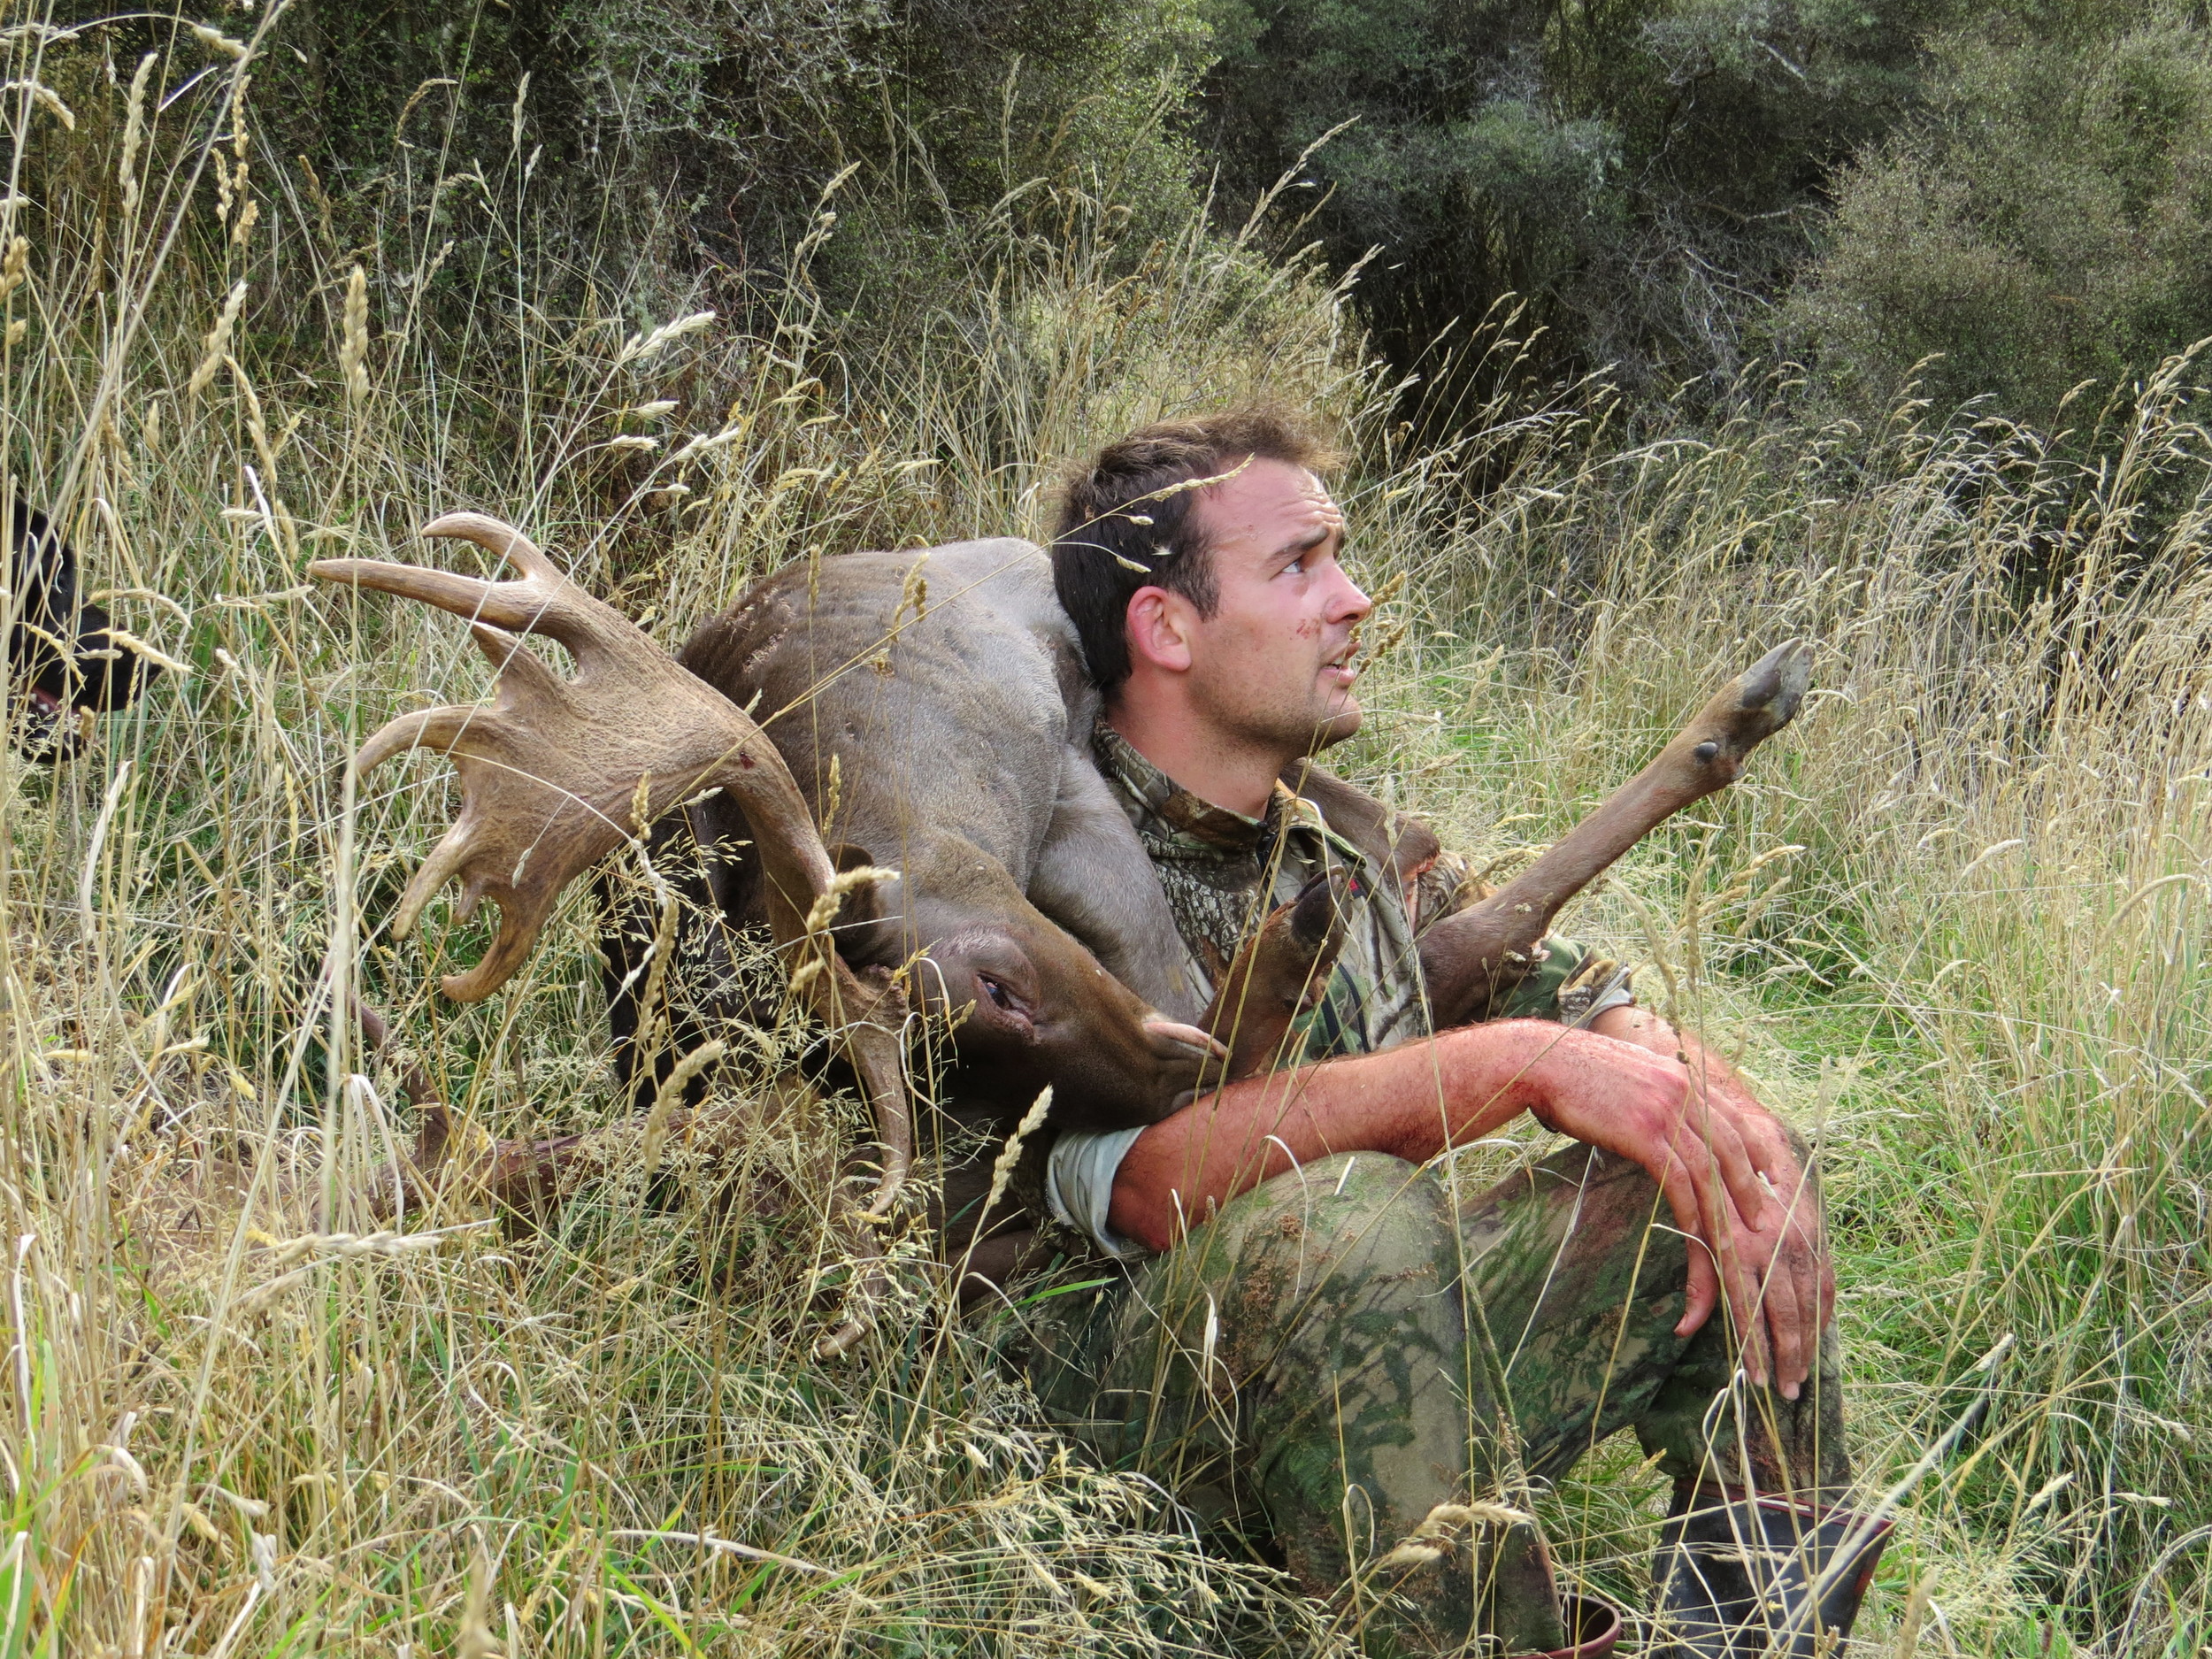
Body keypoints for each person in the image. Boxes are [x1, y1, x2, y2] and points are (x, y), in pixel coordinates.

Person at [1025, 409, 1890, 1656]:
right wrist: (1516, 1069)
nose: (1357, 599)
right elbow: (1137, 1190)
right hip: (1117, 1452)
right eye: (1300, 567)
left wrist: (1694, 1089)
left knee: (1719, 1163)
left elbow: (1553, 990)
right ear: (1165, 627)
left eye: (1343, 558)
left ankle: (1763, 1635)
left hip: (1372, 1393)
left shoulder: (1341, 850)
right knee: (1350, 1214)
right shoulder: (1052, 871)